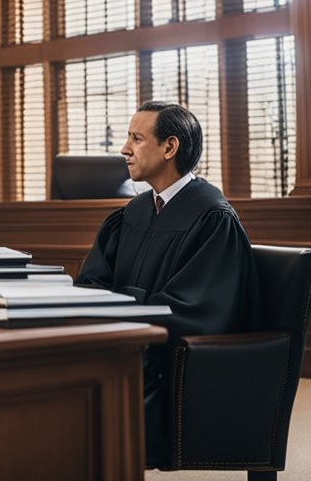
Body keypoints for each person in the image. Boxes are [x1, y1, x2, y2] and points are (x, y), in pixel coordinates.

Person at [76, 101, 261, 469]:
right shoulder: (132, 214)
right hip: (127, 342)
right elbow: (90, 283)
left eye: (136, 138)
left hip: (175, 363)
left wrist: (119, 304)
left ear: (169, 147)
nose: (125, 149)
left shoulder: (212, 218)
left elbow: (194, 311)